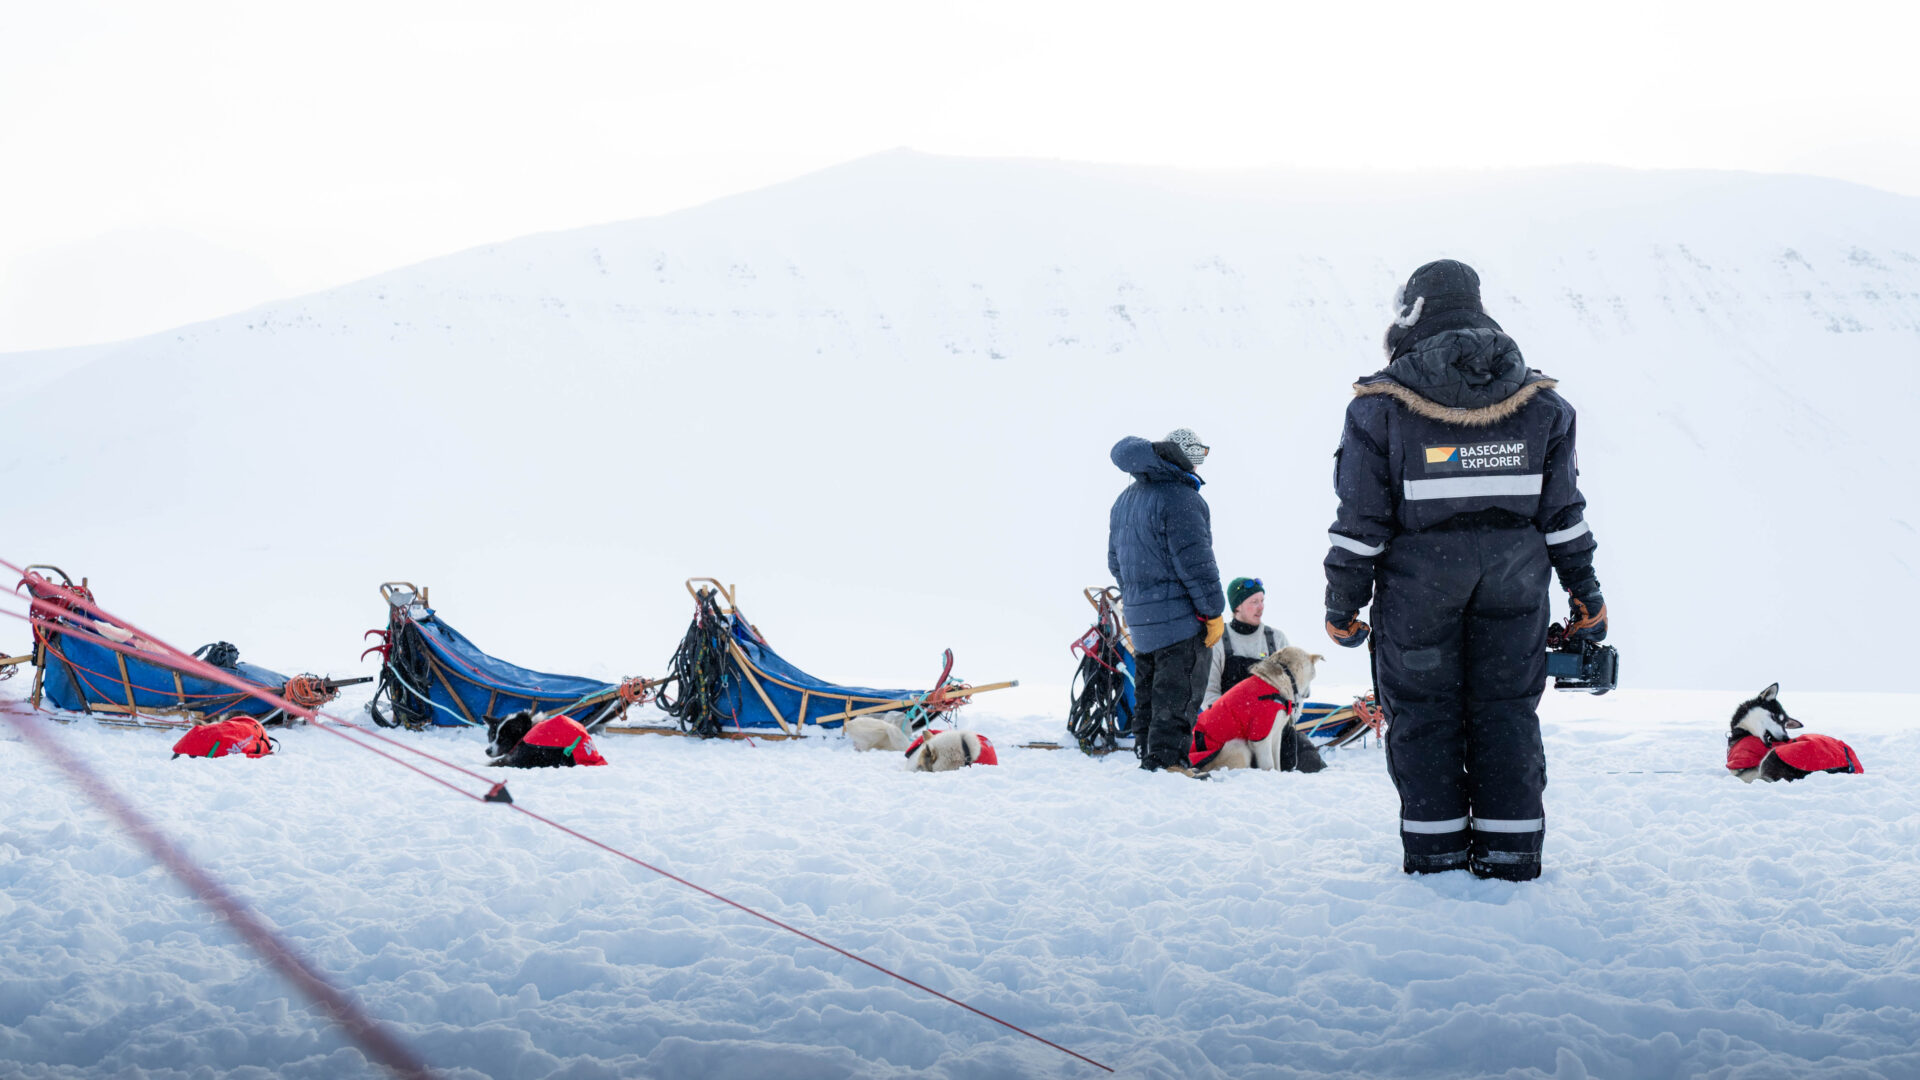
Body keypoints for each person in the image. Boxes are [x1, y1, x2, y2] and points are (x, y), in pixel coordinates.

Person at [1322, 259, 1607, 882]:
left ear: (1413, 312)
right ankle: (1510, 856)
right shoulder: (1544, 405)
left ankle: (1437, 855)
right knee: (1506, 713)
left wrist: (1342, 605)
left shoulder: (1380, 408)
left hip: (1417, 592)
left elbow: (1362, 524)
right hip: (1517, 583)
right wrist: (1585, 593)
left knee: (1424, 716)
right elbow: (1563, 515)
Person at [1107, 428, 1225, 772]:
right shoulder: (1181, 498)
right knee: (1177, 697)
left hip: (1142, 622)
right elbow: (1197, 565)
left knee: (1150, 696)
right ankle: (1168, 768)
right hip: (1180, 622)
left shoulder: (1126, 499)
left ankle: (1149, 760)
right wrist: (1213, 612)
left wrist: (1142, 598)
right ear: (1185, 458)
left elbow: (1115, 563)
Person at [1202, 576, 1324, 772]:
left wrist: (1288, 717)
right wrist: (1234, 724)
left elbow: (1296, 691)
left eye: (1262, 601)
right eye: (1254, 602)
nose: (1261, 607)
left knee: (1309, 761)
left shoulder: (1276, 639)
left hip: (1274, 728)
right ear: (1237, 607)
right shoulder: (1219, 642)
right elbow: (1208, 692)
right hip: (1233, 733)